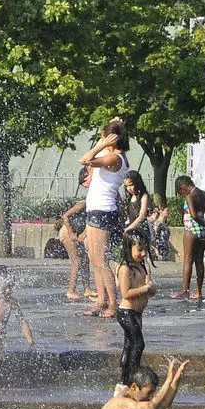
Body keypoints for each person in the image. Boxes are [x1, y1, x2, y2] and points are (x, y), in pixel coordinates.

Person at [77, 119, 129, 318]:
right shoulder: (109, 153)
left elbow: (84, 160)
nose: (101, 138)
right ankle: (101, 301)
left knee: (101, 261)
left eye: (105, 135)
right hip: (95, 210)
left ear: (111, 140)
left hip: (103, 211)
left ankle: (113, 305)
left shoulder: (115, 159)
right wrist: (113, 124)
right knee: (94, 258)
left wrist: (102, 144)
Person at [90, 356, 189, 409]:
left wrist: (176, 378)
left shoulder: (134, 399)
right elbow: (151, 406)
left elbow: (165, 404)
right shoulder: (120, 402)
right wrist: (168, 379)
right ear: (134, 387)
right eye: (148, 392)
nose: (150, 397)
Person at [113, 230, 154, 391]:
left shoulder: (140, 266)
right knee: (138, 343)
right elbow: (126, 293)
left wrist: (151, 288)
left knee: (129, 345)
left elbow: (147, 289)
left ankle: (122, 383)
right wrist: (146, 288)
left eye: (145, 250)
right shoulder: (125, 268)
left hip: (137, 313)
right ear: (128, 248)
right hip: (126, 312)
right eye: (139, 250)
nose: (143, 253)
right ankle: (131, 379)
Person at [173, 175, 205, 301]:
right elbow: (200, 212)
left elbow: (193, 215)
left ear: (183, 186)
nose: (181, 194)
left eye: (180, 191)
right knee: (199, 261)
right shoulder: (203, 194)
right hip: (203, 231)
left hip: (191, 229)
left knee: (188, 260)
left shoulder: (189, 195)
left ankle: (185, 290)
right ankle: (199, 291)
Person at [57, 193, 93, 301]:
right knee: (76, 261)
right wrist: (71, 233)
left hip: (76, 233)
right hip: (67, 233)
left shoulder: (93, 208)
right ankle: (71, 291)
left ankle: (87, 289)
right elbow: (65, 216)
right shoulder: (83, 204)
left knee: (85, 260)